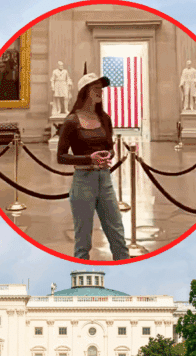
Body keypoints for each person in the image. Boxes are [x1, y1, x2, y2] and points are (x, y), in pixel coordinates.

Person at [56, 71, 130, 261]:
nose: (100, 91)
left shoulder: (104, 119)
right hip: (83, 182)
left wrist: (107, 156)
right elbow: (61, 157)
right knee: (83, 241)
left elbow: (110, 148)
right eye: (95, 88)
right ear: (85, 91)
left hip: (105, 180)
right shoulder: (72, 121)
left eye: (101, 88)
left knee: (117, 234)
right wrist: (89, 159)